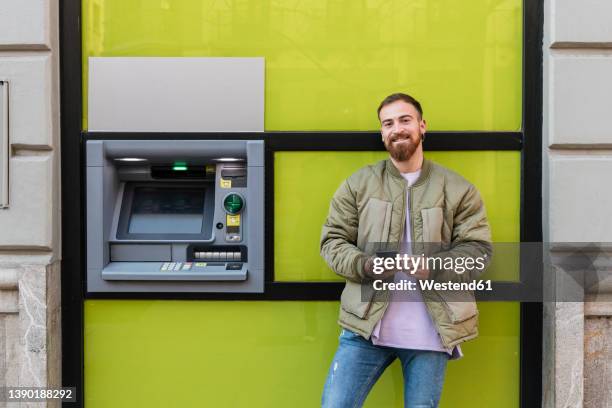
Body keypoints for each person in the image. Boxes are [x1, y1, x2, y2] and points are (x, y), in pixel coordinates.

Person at [319, 93, 493, 407]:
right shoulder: (358, 184)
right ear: (382, 133)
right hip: (365, 329)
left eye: (405, 120)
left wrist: (434, 267)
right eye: (388, 123)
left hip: (431, 334)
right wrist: (366, 265)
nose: (397, 128)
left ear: (422, 126)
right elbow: (332, 242)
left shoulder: (458, 189)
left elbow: (478, 251)